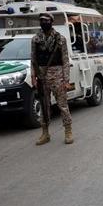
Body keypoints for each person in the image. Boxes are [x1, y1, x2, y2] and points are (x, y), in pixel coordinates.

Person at [31, 13, 73, 145]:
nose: (43, 22)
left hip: (58, 76)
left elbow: (65, 60)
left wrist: (66, 80)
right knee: (44, 106)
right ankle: (45, 133)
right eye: (41, 20)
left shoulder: (60, 39)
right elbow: (33, 59)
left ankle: (68, 131)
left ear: (51, 22)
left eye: (46, 20)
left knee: (62, 105)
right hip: (42, 77)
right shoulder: (35, 39)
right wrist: (33, 76)